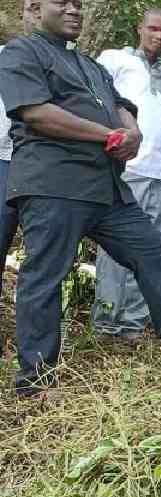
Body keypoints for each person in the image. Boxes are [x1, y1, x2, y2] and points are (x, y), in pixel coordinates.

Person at [0, 0, 161, 396]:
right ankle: (35, 382)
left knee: (156, 255)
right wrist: (107, 136)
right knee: (45, 276)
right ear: (36, 9)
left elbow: (121, 105)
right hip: (53, 184)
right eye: (63, 3)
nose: (74, 10)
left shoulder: (89, 64)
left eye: (78, 4)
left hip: (106, 189)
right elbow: (35, 112)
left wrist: (132, 131)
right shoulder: (22, 52)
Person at [91, 8, 161, 343]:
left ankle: (134, 324)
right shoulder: (114, 59)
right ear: (139, 28)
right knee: (117, 249)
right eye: (153, 29)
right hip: (130, 170)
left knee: (151, 250)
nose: (159, 36)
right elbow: (97, 97)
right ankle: (108, 322)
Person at [0, 0, 39, 299]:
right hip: (3, 161)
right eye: (31, 6)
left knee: (43, 252)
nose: (37, 14)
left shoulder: (73, 64)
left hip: (45, 166)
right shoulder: (4, 56)